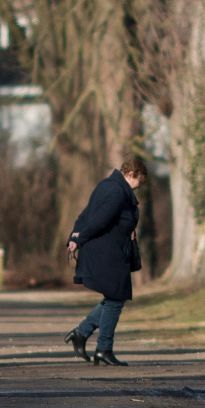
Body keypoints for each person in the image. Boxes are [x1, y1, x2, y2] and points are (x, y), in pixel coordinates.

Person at [63, 157, 145, 367]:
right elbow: (98, 220)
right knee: (116, 298)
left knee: (114, 298)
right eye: (140, 180)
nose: (140, 185)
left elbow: (85, 215)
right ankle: (103, 348)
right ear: (130, 174)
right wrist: (78, 239)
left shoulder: (107, 186)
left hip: (108, 251)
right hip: (107, 253)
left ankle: (82, 333)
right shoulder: (117, 192)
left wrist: (74, 237)